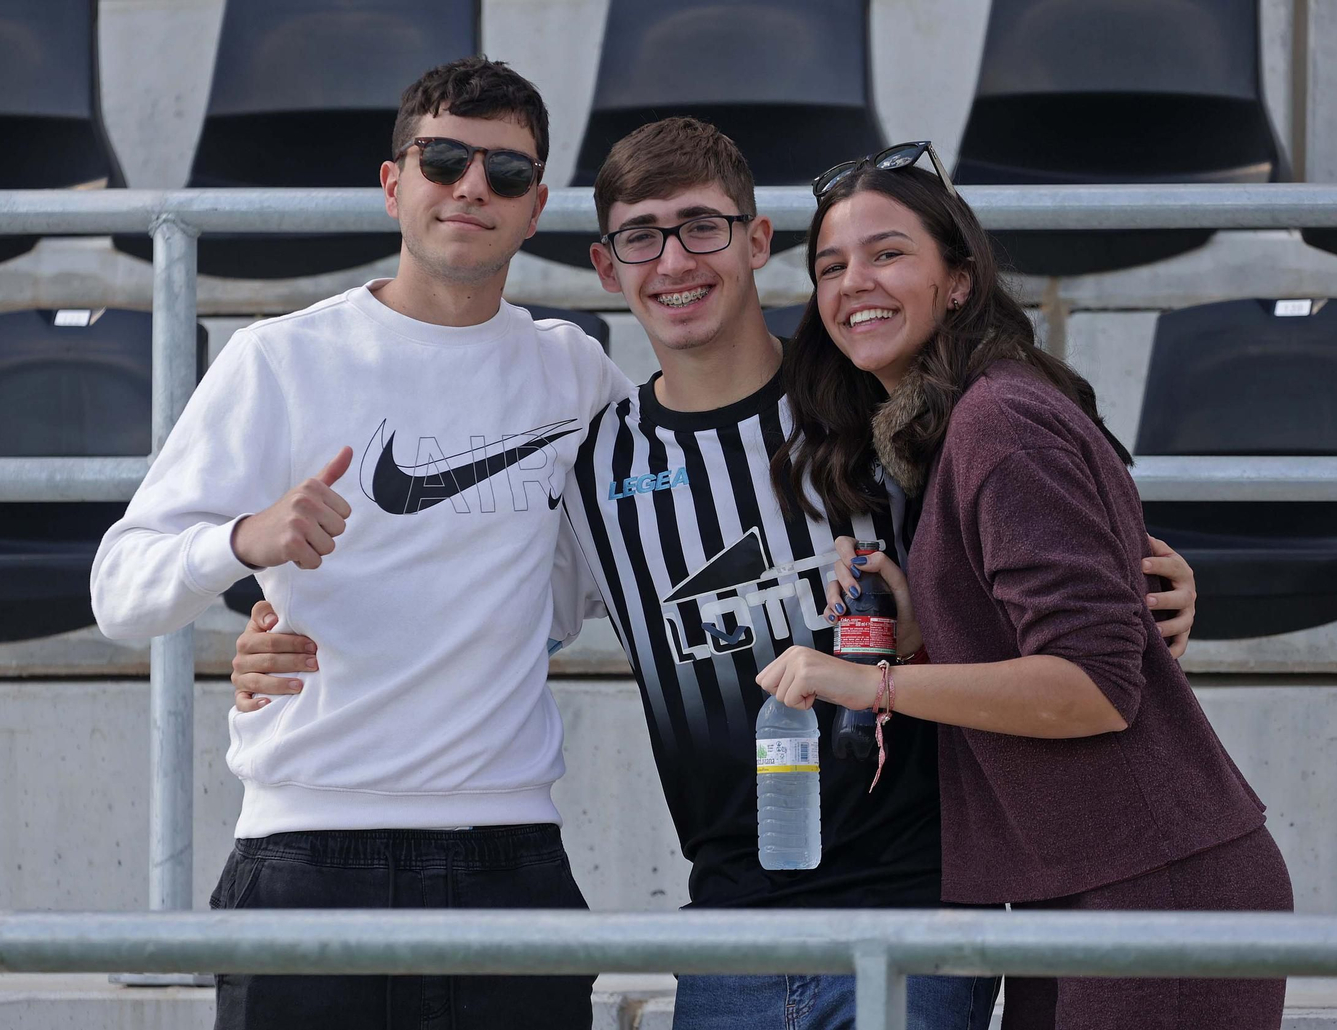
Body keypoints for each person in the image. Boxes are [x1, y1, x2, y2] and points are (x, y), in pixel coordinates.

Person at [232, 118, 1203, 1029]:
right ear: (606, 267)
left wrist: (1156, 582)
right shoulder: (592, 456)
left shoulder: (879, 404)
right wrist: (282, 632)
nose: (675, 261)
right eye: (642, 238)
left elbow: (1050, 548)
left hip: (917, 909)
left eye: (700, 226)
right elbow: (470, 595)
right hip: (728, 923)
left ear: (756, 240)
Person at [90, 57, 631, 1030]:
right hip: (306, 853)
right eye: (444, 159)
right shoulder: (282, 357)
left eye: (505, 172)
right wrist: (245, 542)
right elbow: (119, 592)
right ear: (394, 183)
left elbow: (602, 568)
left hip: (509, 853)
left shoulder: (575, 374)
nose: (472, 186)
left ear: (537, 203)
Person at [753, 144, 1294, 1029]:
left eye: (887, 252)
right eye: (830, 265)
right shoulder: (965, 419)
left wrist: (864, 681)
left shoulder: (999, 421)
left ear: (958, 279)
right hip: (1088, 887)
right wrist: (925, 616)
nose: (854, 282)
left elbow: (1091, 686)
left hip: (1154, 891)